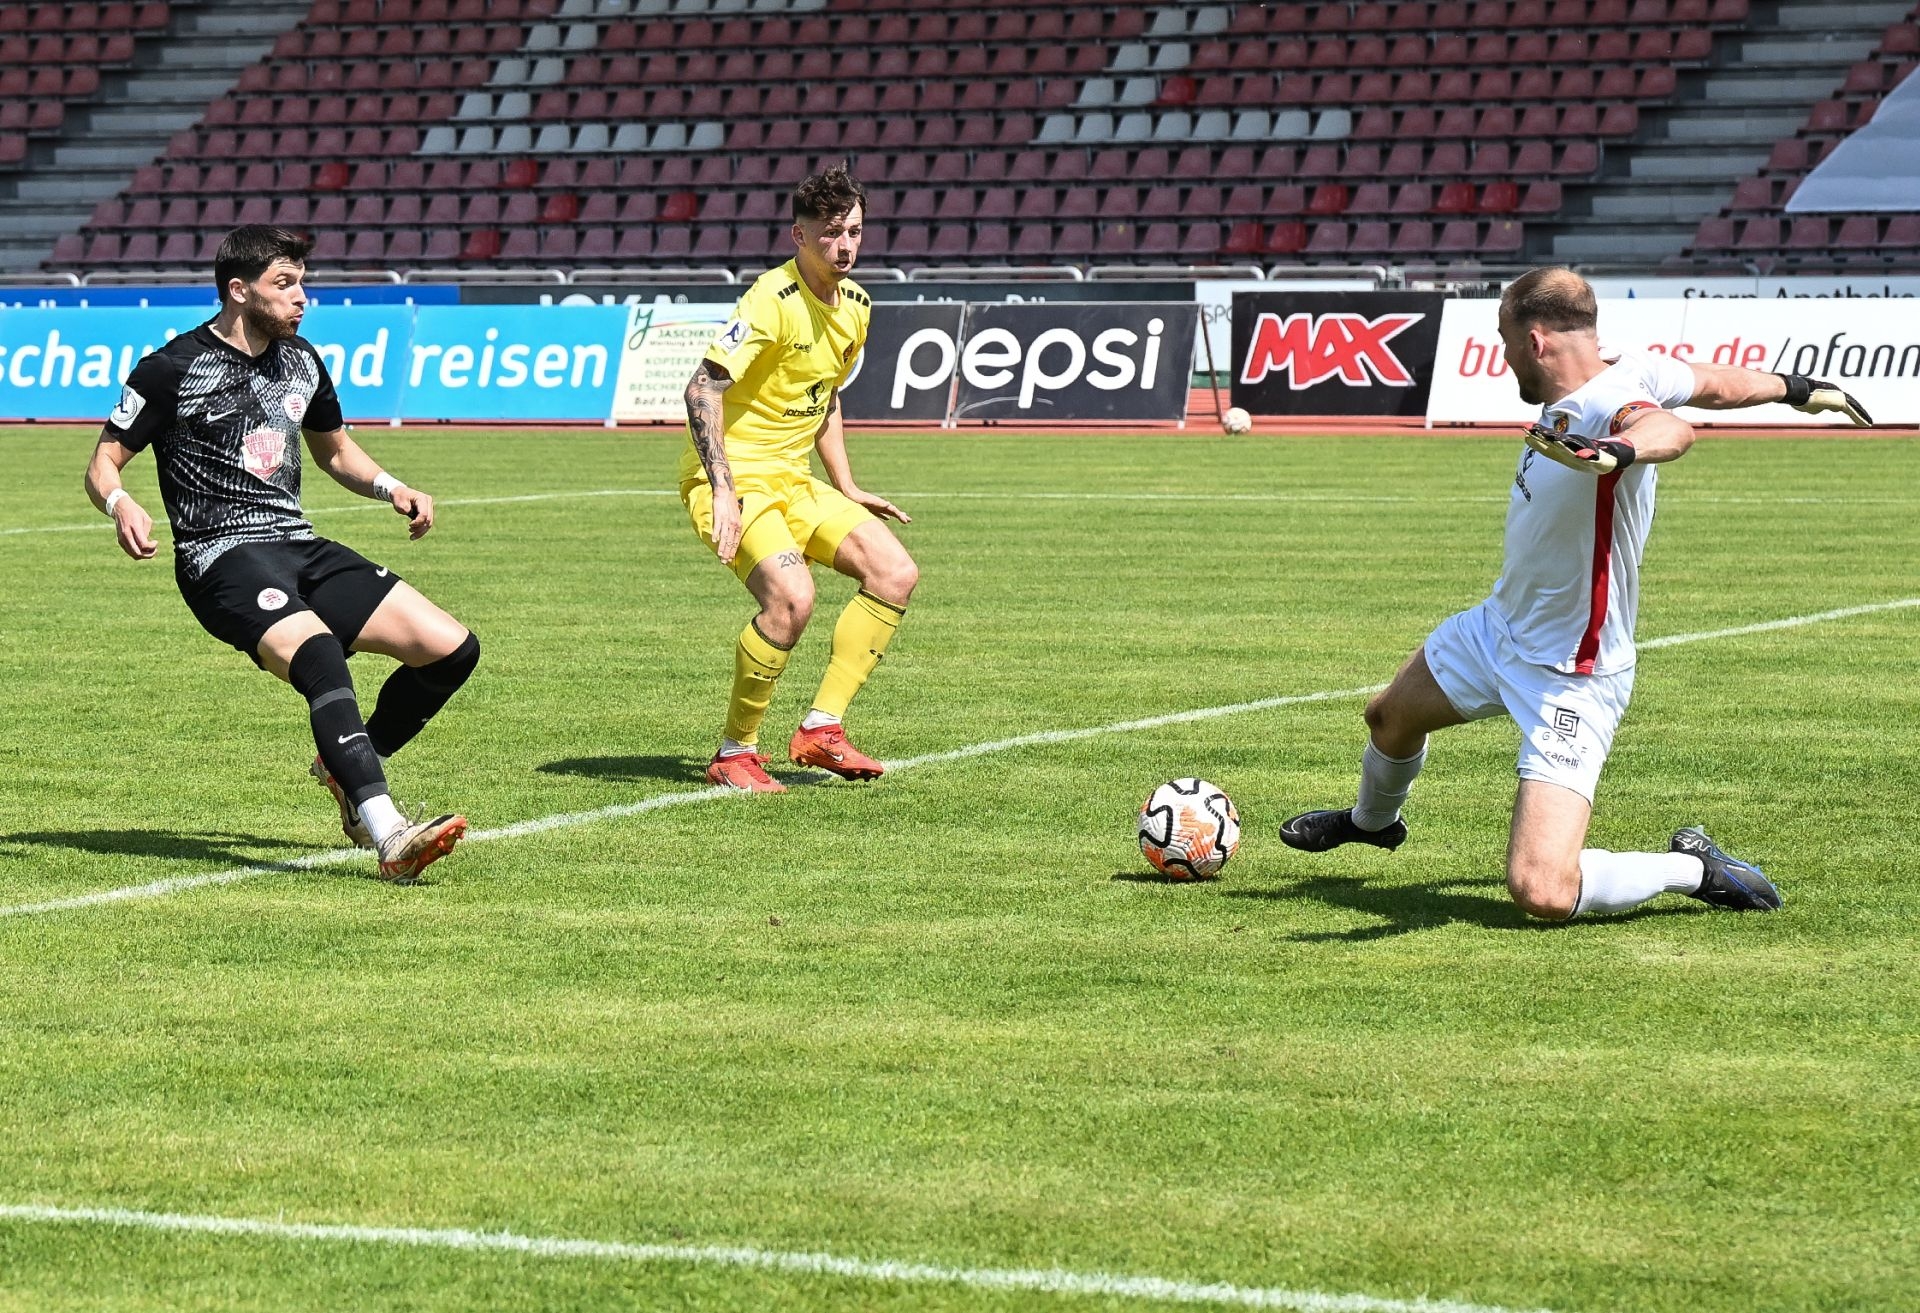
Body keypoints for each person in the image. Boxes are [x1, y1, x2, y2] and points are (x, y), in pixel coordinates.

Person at [1280, 267, 1872, 920]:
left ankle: (1694, 868)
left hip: (1572, 672)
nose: (1504, 356)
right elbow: (1713, 382)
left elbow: (1671, 430)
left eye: (1506, 341)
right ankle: (1372, 823)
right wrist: (1796, 388)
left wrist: (1617, 450)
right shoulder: (1627, 363)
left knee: (1542, 889)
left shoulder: (1612, 401)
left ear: (1535, 342)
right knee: (1389, 717)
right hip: (1499, 629)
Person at [83, 225, 476, 882]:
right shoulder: (170, 368)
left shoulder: (301, 359)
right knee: (320, 655)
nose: (302, 298)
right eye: (285, 283)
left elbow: (335, 451)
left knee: (451, 649)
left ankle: (347, 766)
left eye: (302, 283)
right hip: (220, 557)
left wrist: (392, 487)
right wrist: (120, 502)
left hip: (298, 544)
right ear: (239, 290)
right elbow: (102, 463)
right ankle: (389, 834)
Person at [679, 165, 919, 793]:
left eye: (855, 232)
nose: (845, 246)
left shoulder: (857, 306)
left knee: (894, 572)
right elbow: (702, 387)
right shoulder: (771, 300)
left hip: (794, 479)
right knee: (792, 599)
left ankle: (821, 729)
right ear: (800, 236)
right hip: (734, 478)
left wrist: (847, 485)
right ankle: (735, 752)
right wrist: (723, 490)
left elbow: (826, 396)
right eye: (831, 233)